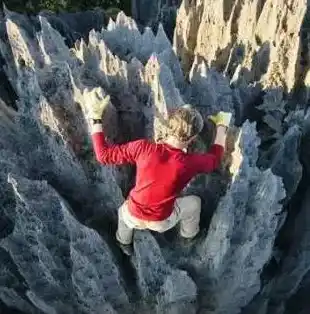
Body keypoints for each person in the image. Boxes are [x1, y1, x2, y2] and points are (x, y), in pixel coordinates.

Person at [86, 91, 231, 255]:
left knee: (123, 216)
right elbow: (214, 159)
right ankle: (188, 236)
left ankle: (124, 243)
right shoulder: (190, 163)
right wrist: (222, 126)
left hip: (134, 214)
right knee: (194, 204)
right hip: (162, 221)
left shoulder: (143, 148)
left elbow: (103, 155)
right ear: (192, 139)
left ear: (169, 124)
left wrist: (95, 118)